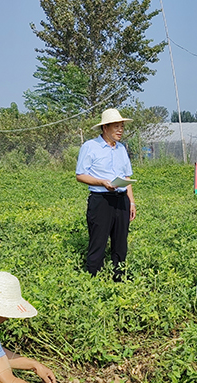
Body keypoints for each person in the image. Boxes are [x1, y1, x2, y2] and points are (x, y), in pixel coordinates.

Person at [76, 108, 136, 281]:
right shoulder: (90, 147)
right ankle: (93, 279)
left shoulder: (121, 149)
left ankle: (119, 278)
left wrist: (131, 202)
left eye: (122, 126)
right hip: (101, 200)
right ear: (105, 128)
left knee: (120, 242)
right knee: (98, 242)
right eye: (116, 126)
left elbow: (127, 176)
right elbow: (80, 175)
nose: (120, 130)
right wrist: (102, 182)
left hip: (121, 200)